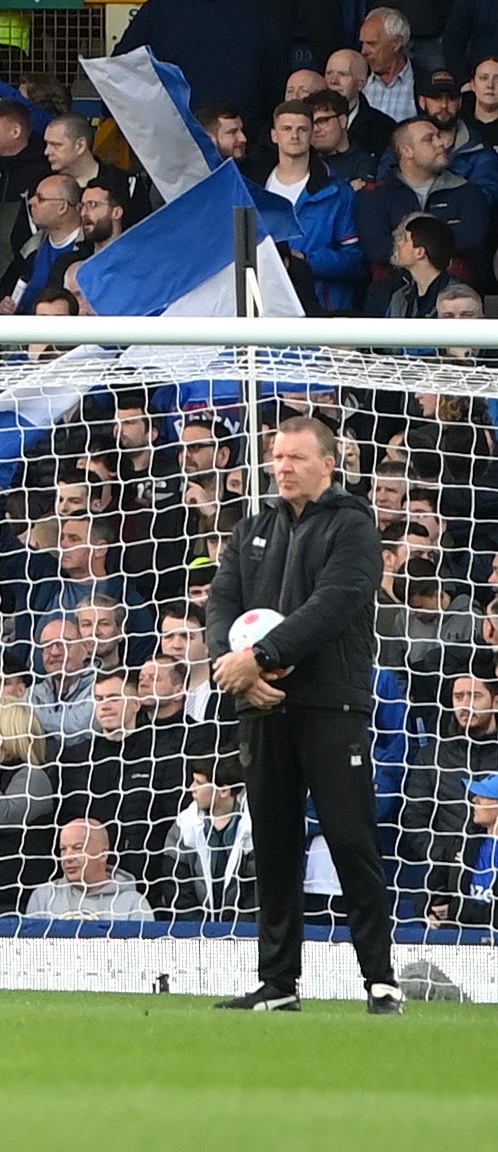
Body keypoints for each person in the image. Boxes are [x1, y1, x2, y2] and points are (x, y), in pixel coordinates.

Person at [207, 411, 403, 1010]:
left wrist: (260, 657)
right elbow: (222, 605)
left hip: (330, 705)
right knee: (272, 842)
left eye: (296, 457)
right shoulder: (251, 530)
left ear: (329, 463)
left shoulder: (353, 527)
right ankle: (279, 984)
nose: (283, 467)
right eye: (277, 456)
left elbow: (335, 604)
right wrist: (237, 672)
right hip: (261, 707)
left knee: (350, 841)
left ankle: (380, 979)